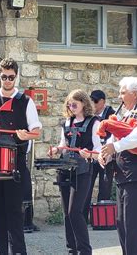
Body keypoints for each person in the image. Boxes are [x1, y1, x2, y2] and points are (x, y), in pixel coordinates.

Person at [0, 58, 42, 255]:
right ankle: (0, 251)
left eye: (11, 77)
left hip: (15, 162)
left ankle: (19, 251)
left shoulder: (25, 101)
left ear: (16, 76)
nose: (8, 81)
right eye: (4, 77)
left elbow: (36, 130)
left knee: (14, 211)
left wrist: (26, 134)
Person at [99, 76, 137, 255]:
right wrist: (106, 154)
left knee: (132, 225)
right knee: (121, 223)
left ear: (135, 94)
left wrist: (114, 147)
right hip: (123, 174)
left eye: (123, 93)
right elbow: (115, 137)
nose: (119, 97)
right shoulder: (125, 115)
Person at [47, 89, 100, 255]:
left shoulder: (94, 122)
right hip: (65, 170)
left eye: (75, 103)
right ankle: (72, 250)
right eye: (69, 103)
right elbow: (63, 144)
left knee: (75, 211)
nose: (71, 106)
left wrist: (89, 153)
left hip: (83, 171)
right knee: (67, 214)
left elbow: (98, 149)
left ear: (84, 103)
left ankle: (85, 250)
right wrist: (56, 150)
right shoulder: (67, 123)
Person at [83, 90, 115, 221]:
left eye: (95, 101)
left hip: (107, 154)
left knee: (105, 185)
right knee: (87, 186)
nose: (93, 104)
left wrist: (108, 151)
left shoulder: (112, 115)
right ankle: (83, 217)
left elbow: (114, 134)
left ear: (103, 101)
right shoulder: (89, 115)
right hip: (93, 154)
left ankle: (101, 218)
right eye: (91, 101)